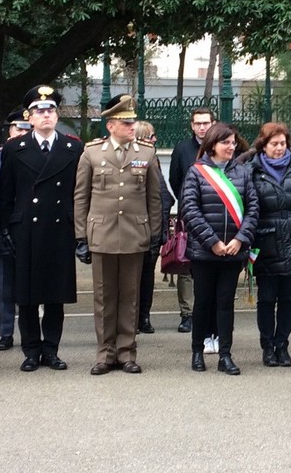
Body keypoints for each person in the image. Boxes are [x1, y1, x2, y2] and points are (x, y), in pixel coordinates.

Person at [75, 95, 163, 375]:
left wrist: (155, 235)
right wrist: (81, 236)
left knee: (130, 296)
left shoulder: (146, 154)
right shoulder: (92, 153)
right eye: (126, 123)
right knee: (103, 296)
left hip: (135, 234)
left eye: (133, 122)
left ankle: (127, 352)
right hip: (101, 233)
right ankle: (105, 353)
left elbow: (154, 199)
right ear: (111, 125)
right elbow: (81, 197)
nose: (132, 126)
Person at [0, 86, 82, 372]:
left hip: (60, 228)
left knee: (55, 295)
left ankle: (51, 350)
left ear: (57, 116)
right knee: (28, 296)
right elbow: (5, 193)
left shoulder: (73, 147)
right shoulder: (14, 148)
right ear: (29, 117)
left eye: (50, 110)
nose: (45, 115)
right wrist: (2, 230)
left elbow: (78, 192)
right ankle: (31, 350)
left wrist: (79, 230)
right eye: (39, 111)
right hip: (26, 229)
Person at [181, 122, 258, 375]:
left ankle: (225, 354)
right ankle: (197, 351)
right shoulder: (196, 172)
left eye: (233, 142)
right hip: (205, 252)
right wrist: (213, 242)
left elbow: (253, 210)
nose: (231, 146)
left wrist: (239, 239)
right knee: (203, 302)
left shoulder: (243, 172)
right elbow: (190, 210)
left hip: (234, 251)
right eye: (226, 142)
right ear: (213, 144)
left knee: (226, 303)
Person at [246, 122, 291, 367]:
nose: (279, 148)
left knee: (288, 299)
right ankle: (267, 346)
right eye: (273, 144)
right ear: (263, 146)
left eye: (283, 144)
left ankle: (282, 344)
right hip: (265, 242)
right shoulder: (252, 171)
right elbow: (249, 210)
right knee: (267, 299)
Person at [168, 108, 215, 336]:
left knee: (211, 266)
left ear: (213, 123)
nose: (202, 127)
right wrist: (188, 205)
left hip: (216, 217)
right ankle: (187, 314)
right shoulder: (182, 149)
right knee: (186, 266)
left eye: (206, 123)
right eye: (198, 123)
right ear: (192, 126)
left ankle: (210, 312)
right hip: (189, 216)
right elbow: (175, 179)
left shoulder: (220, 147)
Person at [0, 110, 32, 352]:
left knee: (31, 283)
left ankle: (31, 333)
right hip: (5, 227)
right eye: (18, 129)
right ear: (10, 131)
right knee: (6, 285)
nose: (22, 134)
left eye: (27, 129)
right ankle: (5, 332)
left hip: (30, 227)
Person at [133, 121, 173, 335]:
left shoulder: (154, 160)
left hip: (154, 230)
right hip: (137, 229)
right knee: (133, 278)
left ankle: (144, 317)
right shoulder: (136, 161)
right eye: (151, 136)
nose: (154, 139)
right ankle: (133, 317)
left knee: (147, 277)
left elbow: (163, 195)